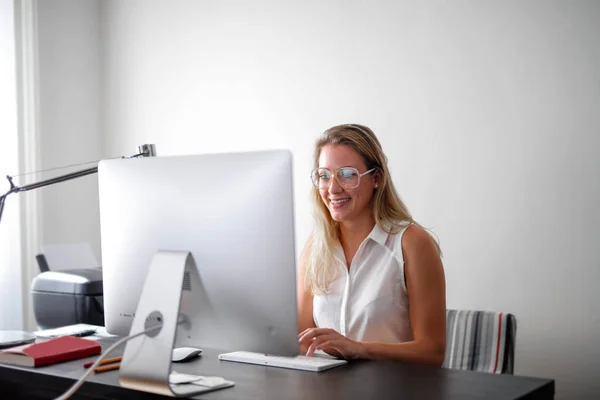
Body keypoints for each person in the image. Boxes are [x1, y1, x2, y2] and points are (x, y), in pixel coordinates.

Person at [297, 124, 446, 366]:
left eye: (346, 174)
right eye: (324, 175)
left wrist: (359, 349)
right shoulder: (316, 247)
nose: (333, 189)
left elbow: (432, 352)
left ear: (376, 178)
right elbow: (302, 341)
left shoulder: (412, 243)